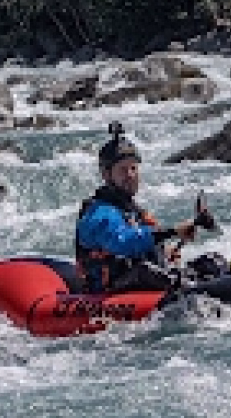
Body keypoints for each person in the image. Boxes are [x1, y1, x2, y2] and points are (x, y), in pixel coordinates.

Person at [75, 123, 217, 295]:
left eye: (133, 168)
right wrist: (172, 231)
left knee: (213, 262)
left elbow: (156, 250)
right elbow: (124, 242)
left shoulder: (136, 212)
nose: (130, 175)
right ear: (106, 175)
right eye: (122, 170)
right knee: (145, 270)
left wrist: (177, 244)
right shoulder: (98, 214)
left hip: (142, 279)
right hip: (108, 290)